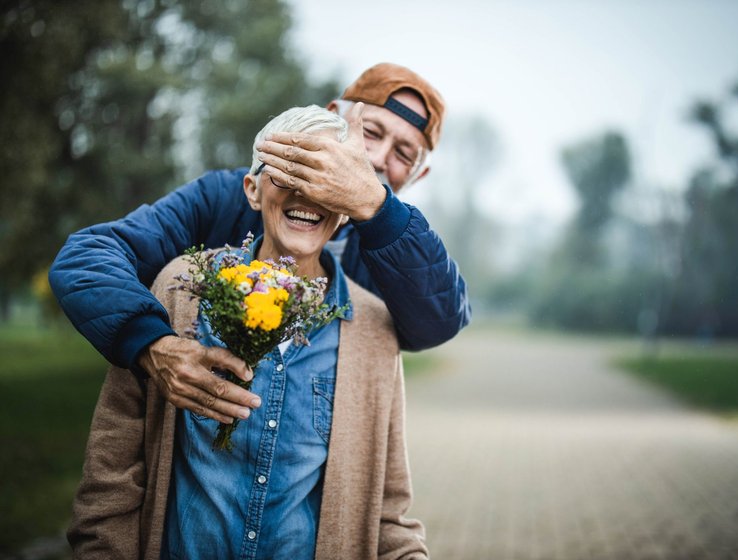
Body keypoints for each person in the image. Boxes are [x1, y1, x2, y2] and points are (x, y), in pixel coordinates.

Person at [67, 106, 428, 560]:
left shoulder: (374, 330)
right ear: (252, 191)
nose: (305, 191)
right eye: (287, 170)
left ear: (343, 212)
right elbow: (110, 481)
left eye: (323, 178)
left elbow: (389, 518)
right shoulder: (179, 288)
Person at [49, 62, 469, 425]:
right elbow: (87, 258)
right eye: (371, 133)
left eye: (403, 154)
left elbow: (438, 320)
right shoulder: (223, 198)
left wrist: (377, 210)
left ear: (418, 176)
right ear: (331, 119)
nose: (377, 159)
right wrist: (152, 345)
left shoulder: (395, 245)